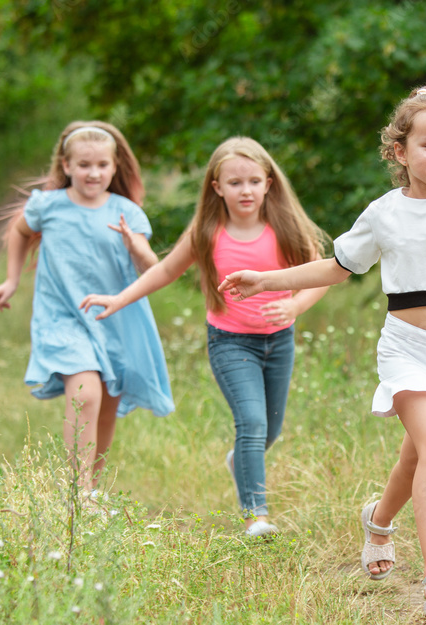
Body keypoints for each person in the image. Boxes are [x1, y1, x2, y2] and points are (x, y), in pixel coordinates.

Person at [218, 87, 426, 617]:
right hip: (405, 348)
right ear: (399, 152)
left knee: (417, 454)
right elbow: (336, 268)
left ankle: (378, 522)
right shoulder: (384, 213)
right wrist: (266, 281)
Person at [80, 137, 329, 537]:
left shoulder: (286, 226)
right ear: (216, 187)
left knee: (271, 429)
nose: (245, 190)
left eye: (253, 181)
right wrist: (119, 299)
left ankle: (241, 463)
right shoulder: (208, 230)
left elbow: (322, 274)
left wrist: (295, 306)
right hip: (231, 342)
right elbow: (164, 272)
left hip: (279, 340)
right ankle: (256, 516)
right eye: (234, 183)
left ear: (268, 183)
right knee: (251, 421)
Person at [0, 121, 174, 495]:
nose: (94, 173)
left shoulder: (128, 213)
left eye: (102, 165)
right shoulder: (48, 205)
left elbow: (152, 270)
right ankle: (76, 490)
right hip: (62, 316)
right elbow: (19, 231)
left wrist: (135, 246)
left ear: (115, 166)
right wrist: (12, 280)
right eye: (84, 165)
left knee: (106, 403)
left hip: (114, 317)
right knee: (85, 393)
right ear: (67, 165)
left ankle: (89, 489)